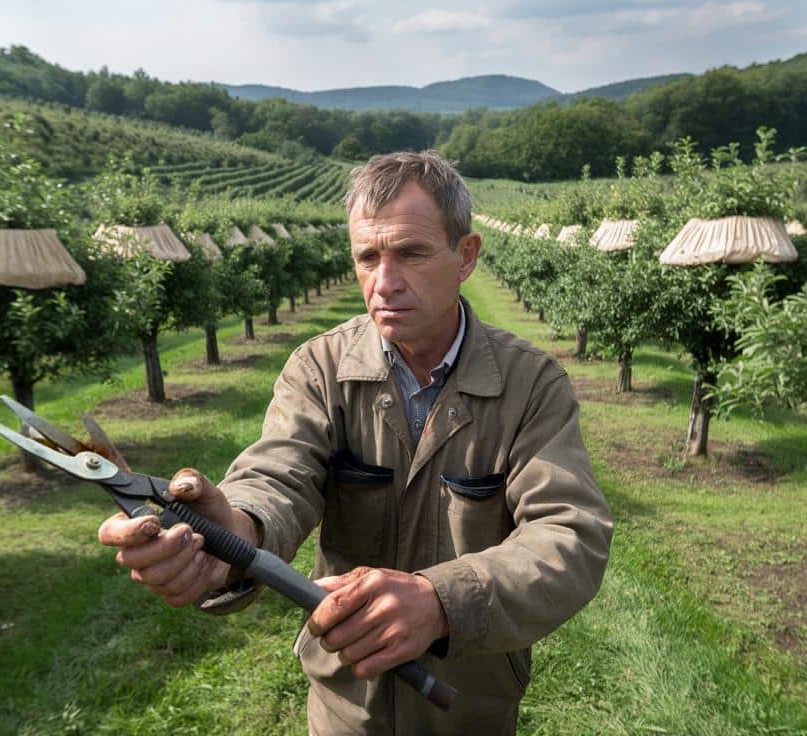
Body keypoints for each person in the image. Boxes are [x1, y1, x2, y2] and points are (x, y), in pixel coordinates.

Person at [98, 151, 613, 735]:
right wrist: (234, 531)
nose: (385, 282)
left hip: (470, 706)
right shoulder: (319, 369)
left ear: (465, 255)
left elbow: (570, 534)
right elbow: (279, 473)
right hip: (346, 705)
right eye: (368, 257)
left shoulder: (529, 385)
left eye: (411, 253)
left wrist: (441, 600)